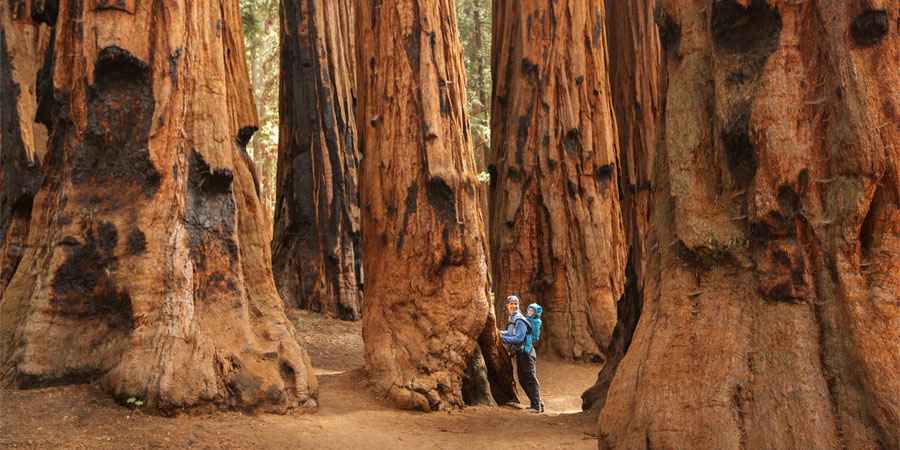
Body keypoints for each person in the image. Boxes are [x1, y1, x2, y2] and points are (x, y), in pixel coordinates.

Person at [500, 295, 543, 413]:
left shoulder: (519, 319)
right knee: (523, 379)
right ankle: (537, 403)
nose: (513, 306)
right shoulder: (512, 318)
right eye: (511, 303)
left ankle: (536, 406)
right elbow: (510, 333)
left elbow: (519, 338)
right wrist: (499, 333)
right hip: (521, 353)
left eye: (516, 304)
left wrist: (502, 338)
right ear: (507, 305)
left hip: (527, 353)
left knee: (529, 378)